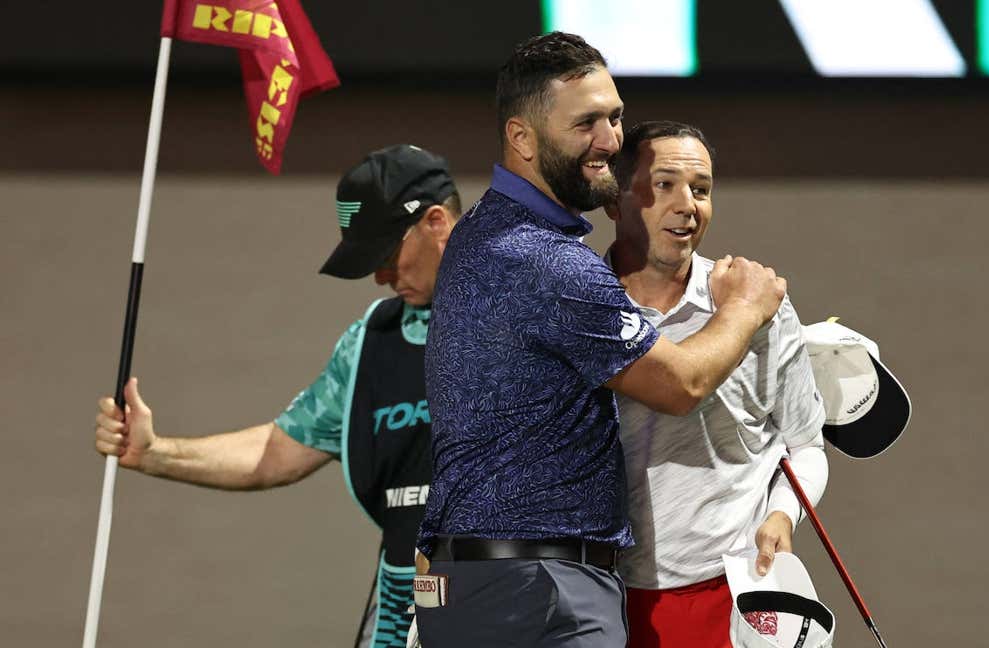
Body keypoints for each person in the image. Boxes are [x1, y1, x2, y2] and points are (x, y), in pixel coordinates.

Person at [415, 32, 787, 648]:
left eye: (615, 117)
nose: (611, 141)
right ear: (522, 138)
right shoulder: (546, 261)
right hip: (542, 591)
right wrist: (744, 308)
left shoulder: (480, 232)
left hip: (478, 582)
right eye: (585, 123)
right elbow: (679, 383)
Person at [92, 144, 460, 648]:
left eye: (386, 254)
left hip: (518, 597)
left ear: (436, 222)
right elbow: (274, 451)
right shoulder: (371, 339)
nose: (380, 276)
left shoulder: (527, 299)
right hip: (404, 612)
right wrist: (154, 453)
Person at [603, 120, 829, 648]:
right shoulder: (578, 309)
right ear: (615, 202)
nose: (688, 205)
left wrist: (782, 514)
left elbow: (807, 445)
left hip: (733, 596)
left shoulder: (759, 304)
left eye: (701, 189)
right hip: (604, 597)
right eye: (664, 185)